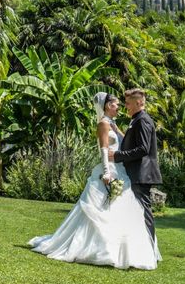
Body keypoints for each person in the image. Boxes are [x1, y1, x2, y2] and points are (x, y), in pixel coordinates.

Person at [28, 92, 161, 270]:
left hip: (122, 171)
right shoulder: (103, 124)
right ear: (107, 106)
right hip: (111, 171)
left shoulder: (116, 124)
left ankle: (134, 249)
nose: (120, 107)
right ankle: (103, 249)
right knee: (104, 210)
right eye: (116, 104)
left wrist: (119, 154)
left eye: (124, 103)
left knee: (130, 211)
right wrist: (106, 172)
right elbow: (105, 150)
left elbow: (126, 144)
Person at [109, 88, 162, 246]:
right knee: (135, 211)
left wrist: (117, 156)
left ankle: (149, 248)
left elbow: (143, 149)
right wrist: (118, 131)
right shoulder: (136, 119)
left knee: (143, 211)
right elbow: (133, 141)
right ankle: (140, 247)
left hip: (142, 173)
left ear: (139, 103)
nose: (126, 106)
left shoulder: (143, 120)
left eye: (128, 103)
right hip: (137, 173)